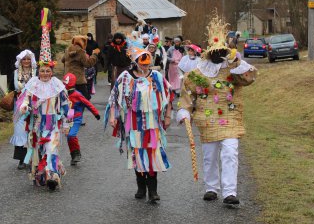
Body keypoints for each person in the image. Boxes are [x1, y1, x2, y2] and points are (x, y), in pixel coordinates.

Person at [176, 14, 257, 207]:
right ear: (209, 52)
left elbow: (249, 79)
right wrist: (185, 111)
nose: (218, 54)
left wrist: (236, 62)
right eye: (215, 51)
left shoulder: (233, 68)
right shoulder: (198, 72)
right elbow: (187, 93)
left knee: (230, 152)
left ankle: (230, 192)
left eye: (221, 51)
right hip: (207, 120)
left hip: (230, 118)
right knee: (210, 155)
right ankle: (211, 188)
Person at [14, 8, 72, 191]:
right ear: (38, 71)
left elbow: (65, 104)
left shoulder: (57, 85)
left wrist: (66, 123)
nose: (45, 74)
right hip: (37, 124)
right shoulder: (33, 84)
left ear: (52, 71)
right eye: (42, 71)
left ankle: (53, 176)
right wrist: (24, 107)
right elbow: (26, 99)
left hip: (53, 123)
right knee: (39, 151)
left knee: (52, 149)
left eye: (48, 71)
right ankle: (41, 173)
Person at [104, 47, 173, 203]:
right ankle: (141, 187)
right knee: (137, 154)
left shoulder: (156, 76)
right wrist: (113, 116)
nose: (145, 66)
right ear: (135, 62)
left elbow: (169, 95)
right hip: (133, 123)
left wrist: (167, 116)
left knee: (153, 154)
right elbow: (114, 97)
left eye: (147, 63)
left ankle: (153, 191)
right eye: (142, 63)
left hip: (153, 124)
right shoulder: (125, 77)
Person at [63, 72, 101, 165]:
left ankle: (77, 154)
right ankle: (74, 155)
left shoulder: (77, 94)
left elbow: (87, 103)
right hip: (67, 118)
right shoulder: (63, 94)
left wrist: (96, 113)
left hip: (76, 118)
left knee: (71, 135)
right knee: (69, 137)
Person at [9, 49, 37, 170]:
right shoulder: (15, 73)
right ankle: (21, 159)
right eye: (24, 59)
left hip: (35, 103)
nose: (26, 61)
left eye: (28, 59)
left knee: (33, 129)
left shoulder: (36, 72)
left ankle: (33, 158)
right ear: (20, 61)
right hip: (19, 105)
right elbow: (10, 88)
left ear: (31, 61)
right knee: (20, 130)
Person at [62, 35, 100, 100]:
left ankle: (72, 109)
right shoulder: (81, 51)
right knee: (85, 98)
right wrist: (94, 54)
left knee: (69, 98)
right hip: (78, 79)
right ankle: (79, 109)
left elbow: (63, 60)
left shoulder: (67, 50)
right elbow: (88, 64)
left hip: (68, 78)